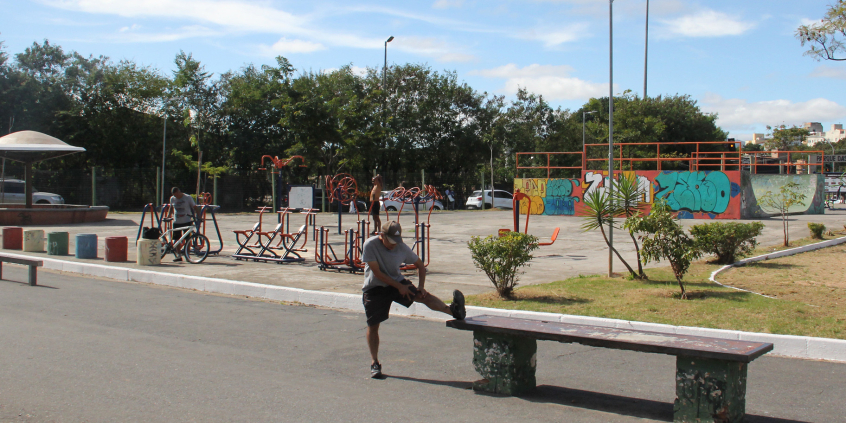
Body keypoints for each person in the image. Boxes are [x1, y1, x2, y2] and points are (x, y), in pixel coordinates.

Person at [361, 220, 465, 379]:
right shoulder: (370, 245)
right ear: (382, 235)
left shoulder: (401, 247)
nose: (394, 245)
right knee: (373, 325)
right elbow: (377, 273)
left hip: (396, 282)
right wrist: (399, 286)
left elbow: (420, 266)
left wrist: (421, 286)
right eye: (390, 241)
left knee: (423, 296)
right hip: (374, 287)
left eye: (396, 241)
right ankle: (375, 362)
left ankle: (453, 310)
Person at [169, 187, 197, 262]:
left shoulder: (187, 198)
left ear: (179, 192)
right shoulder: (172, 198)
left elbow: (194, 207)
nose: (176, 197)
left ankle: (187, 255)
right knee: (177, 239)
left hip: (186, 221)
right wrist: (169, 216)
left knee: (187, 239)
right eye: (174, 195)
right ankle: (178, 255)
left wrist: (198, 216)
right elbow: (171, 207)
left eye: (177, 195)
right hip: (177, 221)